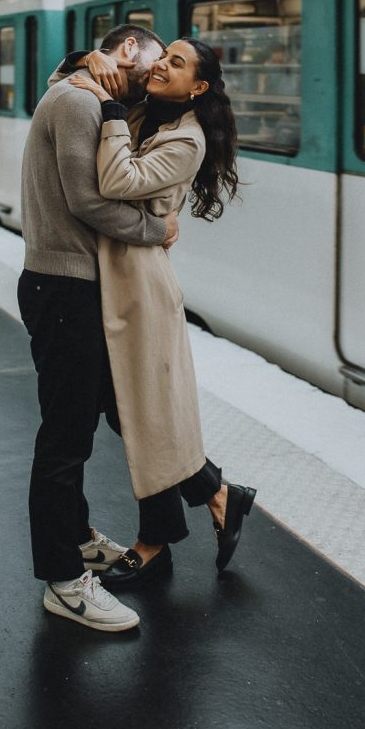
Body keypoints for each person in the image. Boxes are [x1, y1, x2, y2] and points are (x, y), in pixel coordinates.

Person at [66, 36, 256, 589]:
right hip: (114, 276)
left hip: (140, 286)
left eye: (176, 63)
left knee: (140, 413)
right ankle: (217, 495)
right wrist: (89, 61)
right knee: (128, 410)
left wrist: (109, 112)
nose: (160, 66)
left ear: (198, 86)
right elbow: (70, 78)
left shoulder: (186, 139)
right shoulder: (148, 111)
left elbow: (116, 180)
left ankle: (156, 543)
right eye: (161, 56)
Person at [17, 23, 179, 633]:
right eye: (158, 60)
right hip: (65, 291)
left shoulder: (78, 89)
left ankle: (77, 539)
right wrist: (155, 232)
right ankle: (64, 581)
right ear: (129, 49)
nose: (159, 75)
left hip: (65, 289)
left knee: (95, 419)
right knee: (64, 439)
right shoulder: (80, 101)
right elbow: (89, 201)